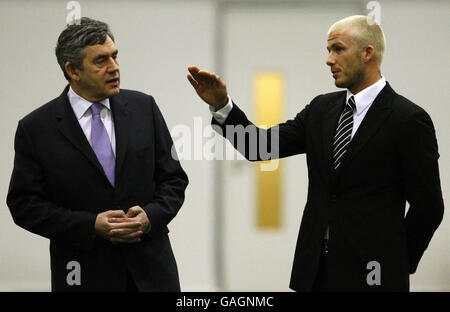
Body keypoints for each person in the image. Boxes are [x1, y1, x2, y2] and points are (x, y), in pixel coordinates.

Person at [187, 15, 444, 291]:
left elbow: (429, 207)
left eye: (338, 49)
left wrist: (397, 261)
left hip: (375, 276)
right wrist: (223, 107)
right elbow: (258, 146)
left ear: (367, 52)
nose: (329, 60)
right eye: (328, 50)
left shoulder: (408, 119)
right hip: (315, 273)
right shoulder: (321, 109)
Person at [7, 17, 188, 291]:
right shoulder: (36, 128)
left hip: (151, 273)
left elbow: (173, 180)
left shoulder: (144, 108)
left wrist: (150, 216)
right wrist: (91, 225)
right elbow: (25, 205)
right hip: (82, 274)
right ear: (73, 70)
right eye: (101, 61)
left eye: (115, 57)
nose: (114, 68)